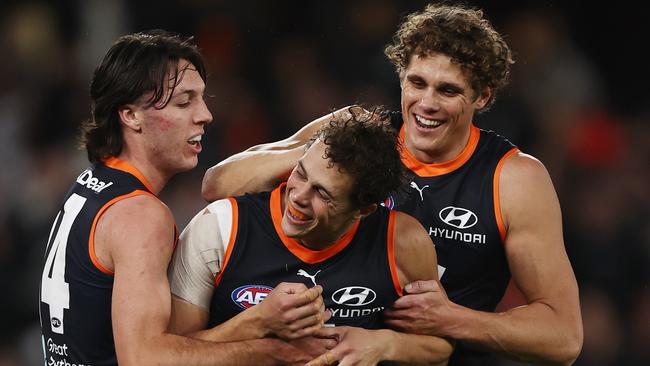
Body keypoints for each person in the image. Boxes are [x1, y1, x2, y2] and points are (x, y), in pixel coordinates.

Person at [201, 3, 583, 365]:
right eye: (416, 82)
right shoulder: (359, 134)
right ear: (400, 76)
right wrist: (325, 150)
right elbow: (219, 184)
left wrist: (451, 318)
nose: (426, 103)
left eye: (447, 90)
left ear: (482, 96)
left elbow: (563, 338)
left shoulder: (513, 179)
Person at [38, 30, 324, 366]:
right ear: (130, 115)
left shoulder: (92, 183)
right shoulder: (141, 215)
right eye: (184, 102)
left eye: (202, 99)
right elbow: (144, 358)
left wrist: (255, 322)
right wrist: (270, 349)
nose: (205, 115)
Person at [169, 108, 453, 365]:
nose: (298, 196)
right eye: (300, 173)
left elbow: (439, 350)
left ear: (363, 210)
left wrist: (385, 343)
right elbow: (168, 355)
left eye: (322, 193)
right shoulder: (220, 227)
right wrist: (257, 323)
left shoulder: (402, 241)